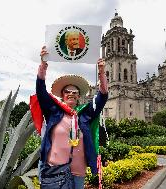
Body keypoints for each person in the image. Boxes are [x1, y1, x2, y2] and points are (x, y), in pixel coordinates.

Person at [36, 46, 108, 189]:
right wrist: (43, 64)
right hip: (55, 170)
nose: (71, 94)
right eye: (67, 91)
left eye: (75, 92)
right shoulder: (53, 111)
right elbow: (41, 91)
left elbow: (103, 97)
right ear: (62, 95)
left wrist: (101, 72)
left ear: (78, 96)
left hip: (77, 171)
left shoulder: (85, 114)